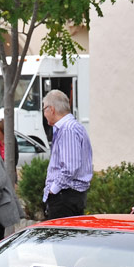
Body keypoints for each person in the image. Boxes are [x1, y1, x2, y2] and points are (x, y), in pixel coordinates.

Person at [41, 89, 92, 219]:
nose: (44, 114)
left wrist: (53, 190)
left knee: (58, 238)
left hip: (65, 197)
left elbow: (70, 168)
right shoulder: (73, 127)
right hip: (68, 196)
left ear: (51, 109)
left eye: (44, 109)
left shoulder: (67, 130)